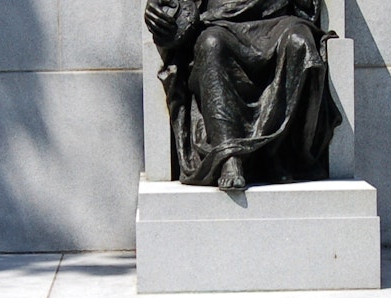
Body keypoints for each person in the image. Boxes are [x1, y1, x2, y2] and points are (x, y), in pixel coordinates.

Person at [145, 0, 342, 191]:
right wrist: (160, 6)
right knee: (211, 44)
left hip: (279, 22)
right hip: (220, 23)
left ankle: (275, 151)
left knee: (300, 43)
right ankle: (229, 158)